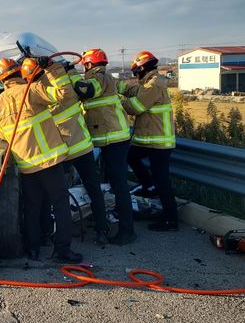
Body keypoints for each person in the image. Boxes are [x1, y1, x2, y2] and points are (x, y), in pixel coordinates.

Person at [0, 58, 82, 264]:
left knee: (32, 208)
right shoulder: (31, 90)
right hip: (49, 161)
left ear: (2, 80)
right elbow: (64, 94)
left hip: (26, 166)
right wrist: (53, 68)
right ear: (19, 74)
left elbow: (0, 133)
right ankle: (63, 251)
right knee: (60, 205)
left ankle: (33, 249)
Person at [21, 57, 110, 245]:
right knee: (94, 189)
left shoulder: (37, 94)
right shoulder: (62, 84)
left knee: (51, 194)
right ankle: (102, 230)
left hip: (61, 152)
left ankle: (47, 234)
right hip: (82, 145)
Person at [80, 49, 136, 244]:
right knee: (116, 184)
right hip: (111, 138)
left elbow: (87, 90)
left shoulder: (98, 76)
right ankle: (118, 224)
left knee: (120, 186)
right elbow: (124, 88)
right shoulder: (108, 76)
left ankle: (127, 232)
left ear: (88, 64)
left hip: (114, 139)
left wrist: (68, 79)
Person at [120, 51, 177, 231]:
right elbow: (133, 91)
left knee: (163, 181)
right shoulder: (147, 83)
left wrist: (116, 103)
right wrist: (115, 87)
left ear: (143, 68)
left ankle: (171, 220)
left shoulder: (154, 85)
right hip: (149, 140)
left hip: (159, 142)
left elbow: (137, 106)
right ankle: (148, 186)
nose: (136, 75)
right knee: (132, 157)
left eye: (137, 71)